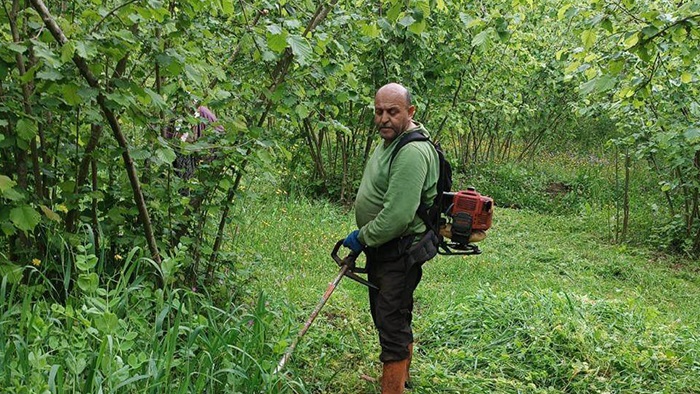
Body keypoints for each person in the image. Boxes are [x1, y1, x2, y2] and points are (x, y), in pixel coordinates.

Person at [343, 83, 440, 393]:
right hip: (384, 249)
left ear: (410, 112)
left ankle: (393, 386)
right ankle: (401, 378)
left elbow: (397, 217)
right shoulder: (390, 140)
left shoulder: (411, 151)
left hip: (399, 251)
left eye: (392, 112)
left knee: (391, 323)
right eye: (378, 111)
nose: (383, 118)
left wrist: (362, 237)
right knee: (394, 314)